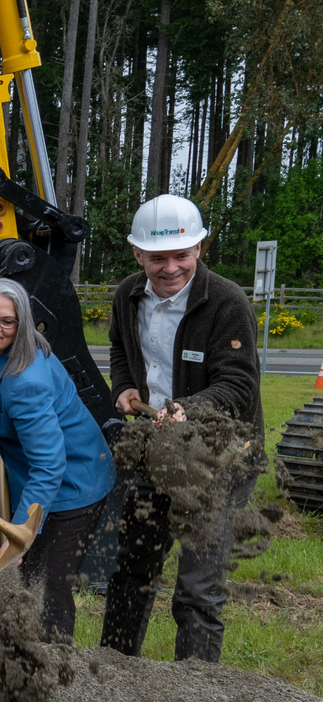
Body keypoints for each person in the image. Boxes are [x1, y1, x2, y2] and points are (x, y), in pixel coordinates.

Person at [102, 194, 264, 662]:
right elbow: (118, 346)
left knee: (197, 587)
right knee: (132, 569)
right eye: (157, 257)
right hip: (154, 449)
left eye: (180, 255)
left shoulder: (227, 303)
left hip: (219, 457)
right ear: (138, 254)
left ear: (199, 249)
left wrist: (186, 409)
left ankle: (194, 694)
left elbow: (238, 385)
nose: (169, 266)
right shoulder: (127, 294)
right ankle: (115, 673)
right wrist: (127, 385)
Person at [0, 278, 115, 644]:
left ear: (21, 326)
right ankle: (7, 649)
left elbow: (49, 464)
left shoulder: (25, 381)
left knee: (46, 583)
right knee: (14, 573)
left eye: (7, 321)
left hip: (72, 483)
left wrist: (19, 534)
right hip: (34, 474)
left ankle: (48, 674)